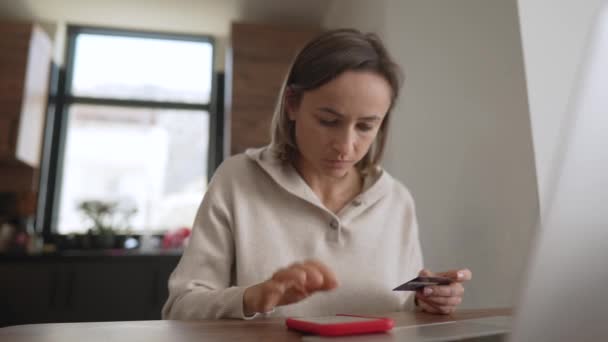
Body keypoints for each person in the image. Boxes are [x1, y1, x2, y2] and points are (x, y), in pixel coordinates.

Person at [162, 29, 472, 320]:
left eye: (366, 126)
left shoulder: (396, 200)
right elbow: (180, 308)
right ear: (292, 105)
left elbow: (398, 306)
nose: (345, 146)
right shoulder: (238, 181)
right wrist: (252, 298)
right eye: (328, 120)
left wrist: (424, 299)